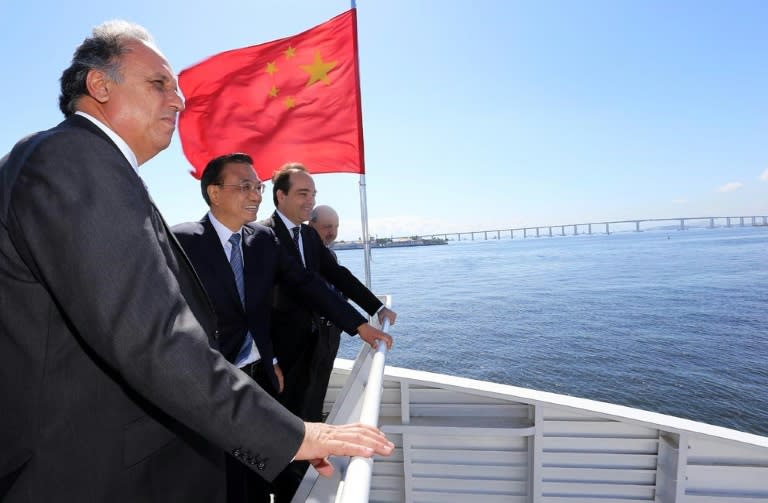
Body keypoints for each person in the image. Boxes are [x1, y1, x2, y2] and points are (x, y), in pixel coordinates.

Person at [0, 21, 393, 502]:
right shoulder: (77, 159)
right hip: (86, 469)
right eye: (159, 83)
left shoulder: (78, 162)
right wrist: (294, 435)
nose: (178, 100)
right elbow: (151, 337)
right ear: (100, 85)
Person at [171, 153, 393, 502]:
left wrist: (360, 325)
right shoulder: (181, 241)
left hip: (260, 376)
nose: (256, 195)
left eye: (257, 186)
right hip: (211, 380)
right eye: (244, 186)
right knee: (223, 473)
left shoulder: (261, 241)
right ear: (214, 193)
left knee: (259, 468)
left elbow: (307, 283)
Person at [307, 204, 345, 421]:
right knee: (308, 384)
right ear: (310, 225)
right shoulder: (301, 254)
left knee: (322, 379)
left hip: (331, 332)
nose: (332, 232)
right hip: (312, 332)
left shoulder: (330, 253)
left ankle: (316, 418)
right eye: (327, 227)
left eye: (336, 226)